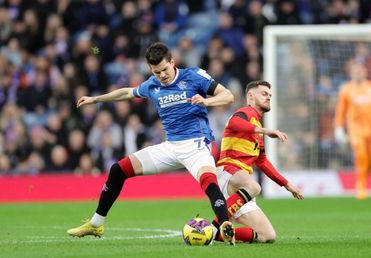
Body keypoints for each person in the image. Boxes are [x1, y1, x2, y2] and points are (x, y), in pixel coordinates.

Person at [67, 42, 252, 245]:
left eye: (165, 69)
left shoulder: (193, 75)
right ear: (150, 70)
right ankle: (96, 224)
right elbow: (127, 92)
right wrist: (95, 100)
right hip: (171, 147)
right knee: (118, 170)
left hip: (196, 144)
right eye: (157, 72)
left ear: (172, 62)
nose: (162, 75)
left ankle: (225, 224)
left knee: (209, 181)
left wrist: (206, 101)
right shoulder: (151, 85)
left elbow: (228, 95)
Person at [211, 80, 304, 243]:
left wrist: (286, 184)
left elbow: (261, 161)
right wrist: (265, 130)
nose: (268, 97)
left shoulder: (257, 127)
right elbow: (234, 122)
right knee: (254, 186)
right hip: (229, 171)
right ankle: (212, 227)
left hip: (241, 186)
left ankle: (214, 235)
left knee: (267, 236)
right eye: (264, 94)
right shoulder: (245, 112)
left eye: (270, 95)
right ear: (250, 96)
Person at [334, 62, 371, 200]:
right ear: (352, 72)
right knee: (361, 155)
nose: (358, 73)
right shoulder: (346, 89)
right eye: (355, 70)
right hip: (355, 130)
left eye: (360, 70)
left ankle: (363, 179)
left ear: (364, 72)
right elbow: (341, 110)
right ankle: (361, 187)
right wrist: (339, 128)